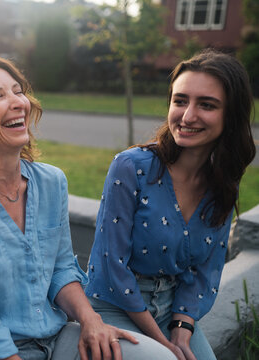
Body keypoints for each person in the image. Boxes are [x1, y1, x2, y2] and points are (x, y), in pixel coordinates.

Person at [0, 54, 176, 360]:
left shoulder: (52, 181)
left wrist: (91, 320)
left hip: (57, 336)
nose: (19, 102)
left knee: (160, 358)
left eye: (18, 91)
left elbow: (61, 269)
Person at [85, 49, 256, 360]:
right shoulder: (131, 167)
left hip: (171, 310)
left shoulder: (222, 183)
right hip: (113, 306)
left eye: (206, 105)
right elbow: (112, 266)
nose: (188, 116)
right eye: (180, 101)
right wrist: (161, 343)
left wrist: (181, 327)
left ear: (230, 115)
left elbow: (206, 271)